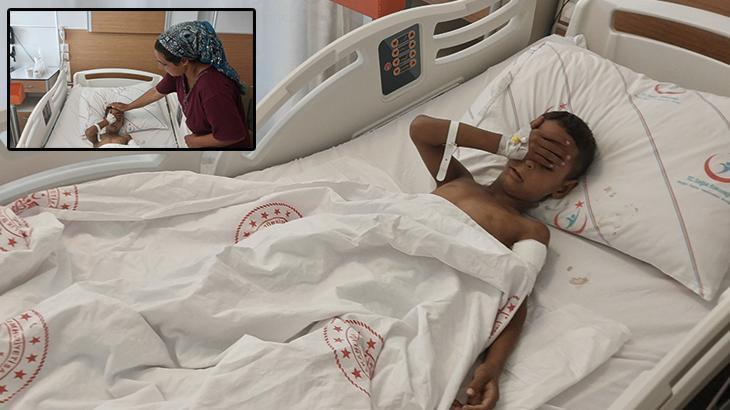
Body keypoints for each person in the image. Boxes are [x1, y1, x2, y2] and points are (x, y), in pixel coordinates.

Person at [409, 111, 596, 410]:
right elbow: (421, 129)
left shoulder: (528, 229)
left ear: (562, 188)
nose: (530, 161)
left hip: (427, 290)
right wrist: (505, 144)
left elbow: (517, 294)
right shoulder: (457, 179)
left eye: (546, 163)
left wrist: (493, 367)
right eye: (530, 148)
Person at [110, 21, 250, 149]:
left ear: (184, 61)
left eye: (164, 64)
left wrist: (195, 141)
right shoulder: (181, 74)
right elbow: (156, 92)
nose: (160, 68)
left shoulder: (213, 89)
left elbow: (233, 135)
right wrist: (128, 106)